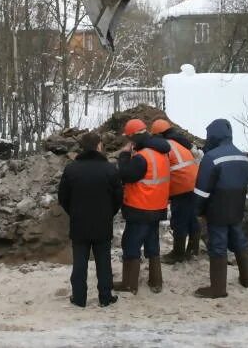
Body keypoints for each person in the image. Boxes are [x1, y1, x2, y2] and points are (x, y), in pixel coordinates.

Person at [58, 131, 123, 308]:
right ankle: (105, 297)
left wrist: (74, 212)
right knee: (104, 261)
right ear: (98, 146)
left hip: (79, 222)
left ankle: (79, 298)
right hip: (103, 222)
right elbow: (118, 197)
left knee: (79, 262)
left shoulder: (71, 169)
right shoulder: (109, 169)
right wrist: (109, 212)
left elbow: (63, 197)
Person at [193, 118, 248, 299]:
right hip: (237, 206)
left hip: (217, 207)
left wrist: (197, 210)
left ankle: (218, 289)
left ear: (213, 135)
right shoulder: (243, 156)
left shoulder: (211, 158)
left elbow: (202, 191)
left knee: (218, 244)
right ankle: (247, 279)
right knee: (239, 238)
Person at [114, 118, 171, 295]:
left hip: (140, 207)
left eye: (130, 139)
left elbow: (125, 174)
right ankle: (156, 281)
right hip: (157, 207)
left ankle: (129, 284)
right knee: (152, 243)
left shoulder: (143, 157)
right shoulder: (161, 153)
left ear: (134, 137)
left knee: (130, 243)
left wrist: (124, 155)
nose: (129, 143)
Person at [150, 118, 202, 264]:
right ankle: (193, 250)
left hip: (181, 186)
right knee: (191, 216)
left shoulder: (165, 146)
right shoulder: (180, 143)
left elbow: (161, 169)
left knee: (179, 219)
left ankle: (178, 254)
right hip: (194, 184)